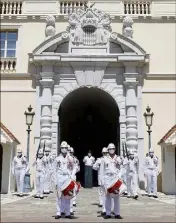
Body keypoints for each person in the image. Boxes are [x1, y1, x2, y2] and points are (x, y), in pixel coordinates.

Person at [100, 143, 123, 219]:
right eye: (110, 149)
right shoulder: (104, 159)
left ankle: (117, 213)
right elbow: (101, 171)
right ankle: (108, 213)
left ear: (115, 149)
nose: (111, 150)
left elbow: (121, 168)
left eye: (113, 149)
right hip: (108, 179)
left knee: (117, 196)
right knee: (107, 196)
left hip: (116, 178)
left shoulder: (118, 158)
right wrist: (102, 182)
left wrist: (120, 176)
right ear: (108, 150)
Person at [54, 141, 76, 219]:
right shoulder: (57, 159)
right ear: (60, 149)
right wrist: (55, 181)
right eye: (62, 148)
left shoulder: (70, 158)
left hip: (67, 177)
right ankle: (58, 212)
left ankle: (67, 213)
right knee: (59, 196)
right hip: (60, 177)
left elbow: (74, 168)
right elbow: (55, 170)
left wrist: (72, 176)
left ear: (67, 149)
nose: (64, 149)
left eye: (65, 148)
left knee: (68, 195)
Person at [93, 147, 107, 215]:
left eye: (106, 153)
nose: (105, 154)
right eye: (104, 153)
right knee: (101, 190)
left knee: (107, 191)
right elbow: (94, 166)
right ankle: (101, 201)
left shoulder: (109, 160)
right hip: (100, 176)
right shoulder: (99, 159)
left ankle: (106, 204)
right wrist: (97, 167)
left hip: (107, 178)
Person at [69, 147, 80, 213]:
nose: (70, 153)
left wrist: (74, 171)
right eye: (70, 152)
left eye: (71, 152)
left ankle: (73, 201)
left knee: (74, 189)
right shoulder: (66, 158)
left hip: (73, 176)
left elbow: (78, 168)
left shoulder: (75, 159)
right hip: (66, 176)